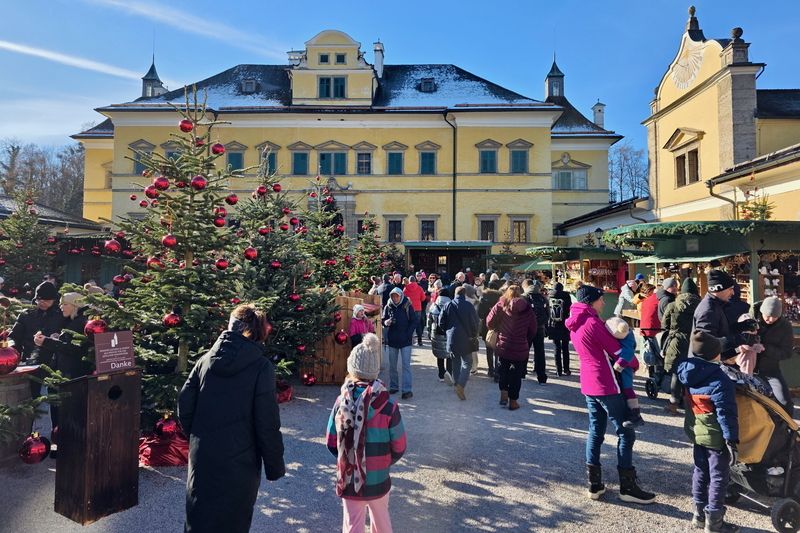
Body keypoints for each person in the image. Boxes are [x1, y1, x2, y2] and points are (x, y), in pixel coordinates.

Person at [178, 304, 286, 533]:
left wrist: (198, 437)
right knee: (233, 521)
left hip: (204, 455)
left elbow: (185, 405)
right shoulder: (261, 367)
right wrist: (274, 467)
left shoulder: (205, 361)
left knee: (198, 519)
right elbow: (267, 421)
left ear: (230, 326)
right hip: (240, 460)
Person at [565, 285, 656, 504]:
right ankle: (628, 486)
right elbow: (615, 352)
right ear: (590, 302)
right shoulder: (593, 323)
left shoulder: (574, 324)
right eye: (600, 300)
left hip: (588, 382)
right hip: (608, 383)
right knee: (626, 432)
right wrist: (634, 362)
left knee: (596, 431)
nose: (603, 303)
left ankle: (594, 484)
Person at [326, 333, 406, 533]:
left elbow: (331, 440)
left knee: (352, 524)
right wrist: (385, 460)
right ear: (375, 371)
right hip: (378, 477)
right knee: (381, 521)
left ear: (352, 369)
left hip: (349, 476)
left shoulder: (341, 401)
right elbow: (399, 444)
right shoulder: (388, 404)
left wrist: (348, 458)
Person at [677, 331, 740, 533]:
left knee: (701, 470)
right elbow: (726, 414)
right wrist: (731, 439)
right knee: (719, 475)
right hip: (714, 435)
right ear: (716, 354)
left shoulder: (687, 372)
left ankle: (698, 515)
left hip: (697, 431)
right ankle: (714, 522)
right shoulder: (721, 380)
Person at [34, 292, 94, 433]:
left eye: (65, 304)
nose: (61, 307)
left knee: (63, 413)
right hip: (66, 373)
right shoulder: (74, 321)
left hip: (69, 375)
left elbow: (75, 350)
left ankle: (62, 444)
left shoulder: (79, 323)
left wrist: (47, 342)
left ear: (75, 306)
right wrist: (58, 339)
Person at [9, 281, 66, 398]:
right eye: (39, 300)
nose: (42, 303)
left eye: (46, 301)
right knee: (30, 396)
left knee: (56, 397)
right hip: (31, 360)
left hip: (55, 361)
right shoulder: (27, 314)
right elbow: (15, 336)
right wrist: (13, 352)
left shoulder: (61, 314)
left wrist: (58, 337)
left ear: (54, 300)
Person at [487, 285, 537, 411]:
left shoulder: (499, 306)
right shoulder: (527, 309)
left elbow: (489, 323)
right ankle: (513, 401)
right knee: (516, 373)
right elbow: (533, 329)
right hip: (520, 345)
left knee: (503, 368)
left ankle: (504, 391)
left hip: (503, 344)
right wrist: (526, 339)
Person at [662, 278, 702, 415]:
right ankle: (692, 403)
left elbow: (664, 324)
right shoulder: (701, 306)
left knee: (676, 372)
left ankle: (673, 404)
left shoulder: (672, 305)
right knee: (694, 372)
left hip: (677, 342)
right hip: (696, 342)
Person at [755, 296, 795, 416]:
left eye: (775, 316)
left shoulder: (785, 327)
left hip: (770, 369)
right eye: (767, 315)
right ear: (762, 311)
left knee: (785, 401)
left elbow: (787, 353)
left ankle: (787, 430)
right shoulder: (749, 319)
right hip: (746, 368)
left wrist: (766, 349)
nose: (771, 319)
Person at [438, 286, 479, 401]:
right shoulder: (469, 306)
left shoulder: (448, 305)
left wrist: (448, 331)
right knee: (467, 362)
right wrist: (474, 334)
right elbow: (475, 322)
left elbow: (441, 322)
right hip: (466, 338)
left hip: (452, 338)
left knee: (455, 362)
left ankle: (456, 384)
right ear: (465, 294)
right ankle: (461, 385)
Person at [605, 318, 644, 428]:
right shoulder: (620, 331)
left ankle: (635, 415)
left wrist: (620, 363)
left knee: (627, 388)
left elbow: (628, 352)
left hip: (627, 365)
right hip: (625, 364)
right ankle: (627, 411)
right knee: (622, 387)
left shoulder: (627, 337)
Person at [382, 287, 418, 400]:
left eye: (397, 296)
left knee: (406, 366)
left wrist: (408, 334)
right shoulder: (388, 307)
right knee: (392, 366)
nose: (395, 298)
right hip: (392, 340)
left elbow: (414, 321)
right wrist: (386, 322)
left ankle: (406, 390)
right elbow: (383, 319)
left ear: (401, 296)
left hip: (405, 341)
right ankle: (394, 386)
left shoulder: (407, 306)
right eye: (393, 296)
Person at [522, 279, 549, 384]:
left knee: (525, 350)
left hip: (527, 328)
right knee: (540, 352)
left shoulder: (524, 297)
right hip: (540, 327)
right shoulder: (543, 297)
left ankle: (522, 373)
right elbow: (548, 313)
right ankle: (541, 377)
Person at [478, 280, 503, 380]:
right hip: (499, 326)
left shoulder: (484, 299)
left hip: (486, 326)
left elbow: (479, 314)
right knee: (498, 350)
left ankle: (490, 370)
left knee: (489, 349)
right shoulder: (502, 299)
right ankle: (497, 371)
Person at [547, 282, 573, 376]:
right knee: (565, 348)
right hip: (564, 324)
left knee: (556, 347)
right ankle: (567, 369)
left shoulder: (549, 296)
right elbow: (570, 310)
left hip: (553, 324)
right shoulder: (566, 296)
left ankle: (558, 370)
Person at [428, 287, 453, 382]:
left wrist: (430, 333)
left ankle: (441, 374)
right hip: (448, 332)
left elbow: (429, 321)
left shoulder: (433, 306)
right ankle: (449, 372)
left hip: (436, 332)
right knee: (450, 353)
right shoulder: (451, 305)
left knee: (439, 354)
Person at [403, 275, 427, 346]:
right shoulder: (419, 288)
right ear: (415, 281)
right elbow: (423, 298)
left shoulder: (406, 288)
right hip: (418, 309)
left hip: (409, 308)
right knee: (418, 324)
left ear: (409, 281)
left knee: (408, 324)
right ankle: (420, 341)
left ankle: (409, 340)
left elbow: (403, 299)